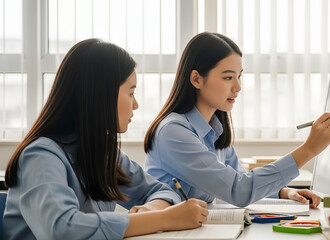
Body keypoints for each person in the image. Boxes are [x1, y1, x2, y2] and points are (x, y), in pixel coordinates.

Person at [3, 39, 208, 240]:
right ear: (102, 95)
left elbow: (161, 191)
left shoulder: (104, 153)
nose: (135, 105)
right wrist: (162, 219)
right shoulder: (40, 157)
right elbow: (62, 229)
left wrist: (150, 210)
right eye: (131, 92)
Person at [144, 32, 330, 208]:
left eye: (239, 76)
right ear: (196, 79)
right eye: (228, 78)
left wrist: (284, 192)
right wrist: (308, 150)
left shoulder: (215, 130)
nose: (238, 87)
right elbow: (238, 190)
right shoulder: (173, 132)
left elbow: (239, 179)